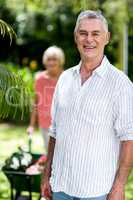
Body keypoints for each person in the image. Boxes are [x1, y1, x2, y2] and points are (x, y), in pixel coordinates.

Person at [41, 10, 133, 200]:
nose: (88, 39)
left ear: (106, 38)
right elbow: (54, 130)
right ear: (76, 38)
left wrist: (119, 186)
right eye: (83, 33)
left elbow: (129, 138)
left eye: (95, 34)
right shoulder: (65, 78)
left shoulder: (121, 84)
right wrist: (46, 174)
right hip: (61, 186)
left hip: (97, 190)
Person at [27, 46, 64, 153]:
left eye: (54, 59)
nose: (51, 62)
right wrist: (31, 125)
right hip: (46, 124)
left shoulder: (67, 77)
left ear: (60, 61)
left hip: (64, 124)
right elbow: (36, 102)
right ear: (45, 61)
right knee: (49, 154)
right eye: (49, 59)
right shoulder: (40, 79)